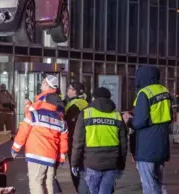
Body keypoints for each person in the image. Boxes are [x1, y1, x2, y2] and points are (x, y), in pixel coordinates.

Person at [11, 75, 68, 194]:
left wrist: (15, 149)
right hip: (51, 154)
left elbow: (24, 129)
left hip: (37, 152)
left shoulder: (38, 109)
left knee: (36, 183)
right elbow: (64, 139)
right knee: (48, 183)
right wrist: (61, 157)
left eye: (43, 82)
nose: (41, 84)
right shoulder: (60, 119)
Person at [124, 66, 172, 194]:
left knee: (149, 184)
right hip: (162, 144)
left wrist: (129, 120)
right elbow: (167, 116)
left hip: (147, 146)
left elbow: (140, 122)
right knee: (159, 181)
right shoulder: (164, 91)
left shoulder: (144, 93)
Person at [71, 87, 127, 194]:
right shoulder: (117, 115)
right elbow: (123, 145)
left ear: (94, 98)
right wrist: (121, 166)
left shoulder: (86, 114)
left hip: (91, 163)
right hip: (111, 163)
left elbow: (78, 142)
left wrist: (75, 163)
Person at [64, 82, 89, 194]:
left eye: (69, 88)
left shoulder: (76, 105)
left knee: (76, 171)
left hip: (74, 141)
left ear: (75, 91)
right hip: (84, 140)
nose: (67, 90)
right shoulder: (83, 103)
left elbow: (68, 122)